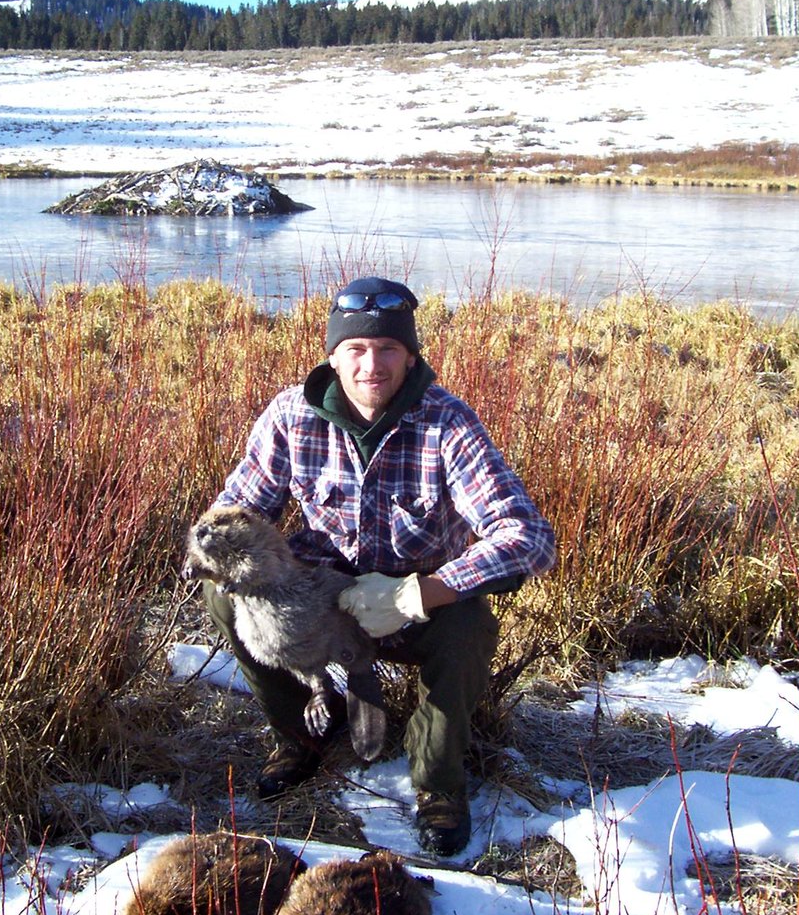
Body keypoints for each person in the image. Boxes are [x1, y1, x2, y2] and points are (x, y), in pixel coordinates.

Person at [204, 276, 556, 855]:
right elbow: (237, 512)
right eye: (357, 350)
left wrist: (419, 595)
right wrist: (218, 553)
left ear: (410, 355)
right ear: (333, 356)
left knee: (469, 628)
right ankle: (302, 736)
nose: (373, 365)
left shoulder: (448, 422)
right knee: (227, 596)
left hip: (417, 606)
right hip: (319, 602)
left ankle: (437, 782)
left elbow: (528, 537)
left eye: (389, 349)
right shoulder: (292, 415)